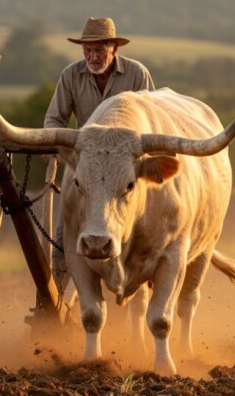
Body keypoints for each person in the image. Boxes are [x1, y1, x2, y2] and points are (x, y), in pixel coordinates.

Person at [44, 17, 155, 285]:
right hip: (87, 164)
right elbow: (54, 120)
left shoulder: (136, 74)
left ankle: (148, 277)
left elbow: (153, 118)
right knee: (66, 233)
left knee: (145, 228)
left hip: (122, 168)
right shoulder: (71, 75)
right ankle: (54, 301)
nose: (92, 57)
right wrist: (54, 145)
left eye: (99, 51)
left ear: (114, 49)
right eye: (87, 51)